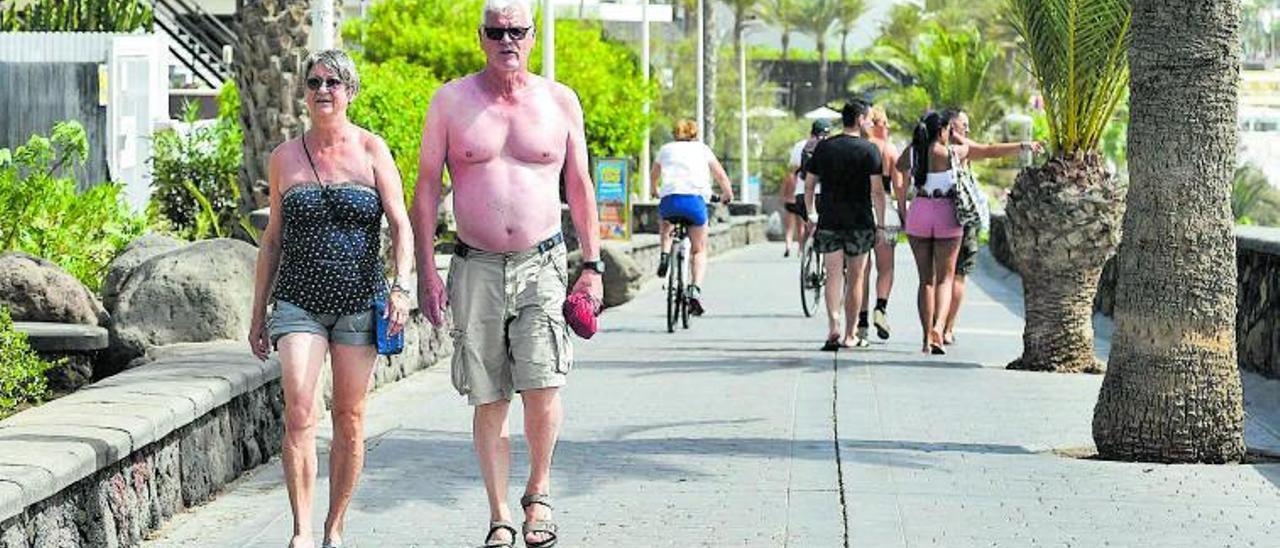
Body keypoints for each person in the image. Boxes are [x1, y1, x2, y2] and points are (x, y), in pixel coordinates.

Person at [408, 1, 604, 547]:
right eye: (496, 31)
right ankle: (498, 515)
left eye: (516, 30)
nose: (506, 40)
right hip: (474, 265)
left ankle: (538, 494)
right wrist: (427, 271)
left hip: (543, 262)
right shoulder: (451, 102)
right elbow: (426, 188)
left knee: (544, 382)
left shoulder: (560, 101)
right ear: (481, 37)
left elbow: (580, 187)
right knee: (488, 394)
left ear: (532, 36)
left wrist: (591, 265)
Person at [248, 49, 414, 548]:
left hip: (360, 302)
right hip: (298, 300)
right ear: (305, 91)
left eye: (334, 83)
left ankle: (334, 527)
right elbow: (272, 239)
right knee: (299, 410)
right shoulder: (284, 157)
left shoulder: (371, 150)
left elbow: (401, 224)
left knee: (350, 415)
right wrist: (258, 313)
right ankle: (300, 530)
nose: (323, 90)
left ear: (350, 92)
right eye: (315, 82)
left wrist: (401, 287)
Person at [897, 110, 1039, 354]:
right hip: (946, 214)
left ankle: (924, 338)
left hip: (919, 211)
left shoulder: (913, 152)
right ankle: (939, 330)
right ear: (943, 130)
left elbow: (898, 168)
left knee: (925, 281)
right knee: (945, 278)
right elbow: (989, 150)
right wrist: (1023, 145)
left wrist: (901, 205)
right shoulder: (953, 152)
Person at [804, 100, 885, 350]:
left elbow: (809, 185)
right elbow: (878, 192)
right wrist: (881, 225)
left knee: (833, 275)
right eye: (869, 118)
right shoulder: (869, 150)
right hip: (860, 222)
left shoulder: (824, 147)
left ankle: (833, 326)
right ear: (860, 119)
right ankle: (851, 334)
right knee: (856, 278)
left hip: (829, 219)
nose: (870, 123)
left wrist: (811, 213)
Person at [940, 108, 1022, 345]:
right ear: (952, 126)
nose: (967, 129)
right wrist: (1022, 146)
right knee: (958, 276)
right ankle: (946, 328)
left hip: (936, 216)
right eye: (964, 124)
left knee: (938, 277)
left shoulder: (931, 147)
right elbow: (990, 150)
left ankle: (934, 326)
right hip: (962, 218)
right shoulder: (961, 148)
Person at [651, 119, 735, 316]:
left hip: (670, 199)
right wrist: (727, 195)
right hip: (694, 202)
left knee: (666, 225)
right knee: (698, 249)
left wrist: (655, 191)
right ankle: (694, 289)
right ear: (695, 134)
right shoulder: (702, 149)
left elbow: (654, 175)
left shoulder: (665, 149)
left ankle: (664, 254)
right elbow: (721, 177)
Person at [856, 106, 907, 341]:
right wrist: (904, 213)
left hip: (860, 208)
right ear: (877, 125)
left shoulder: (860, 148)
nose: (887, 128)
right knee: (886, 267)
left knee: (861, 271)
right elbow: (898, 186)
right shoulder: (889, 149)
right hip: (884, 208)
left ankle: (862, 320)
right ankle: (881, 308)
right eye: (885, 124)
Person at [781, 119, 831, 257]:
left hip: (801, 195)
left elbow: (792, 172)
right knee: (827, 227)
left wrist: (787, 193)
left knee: (806, 222)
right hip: (824, 195)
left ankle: (805, 252)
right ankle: (822, 259)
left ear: (811, 132)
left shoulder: (800, 146)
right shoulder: (831, 145)